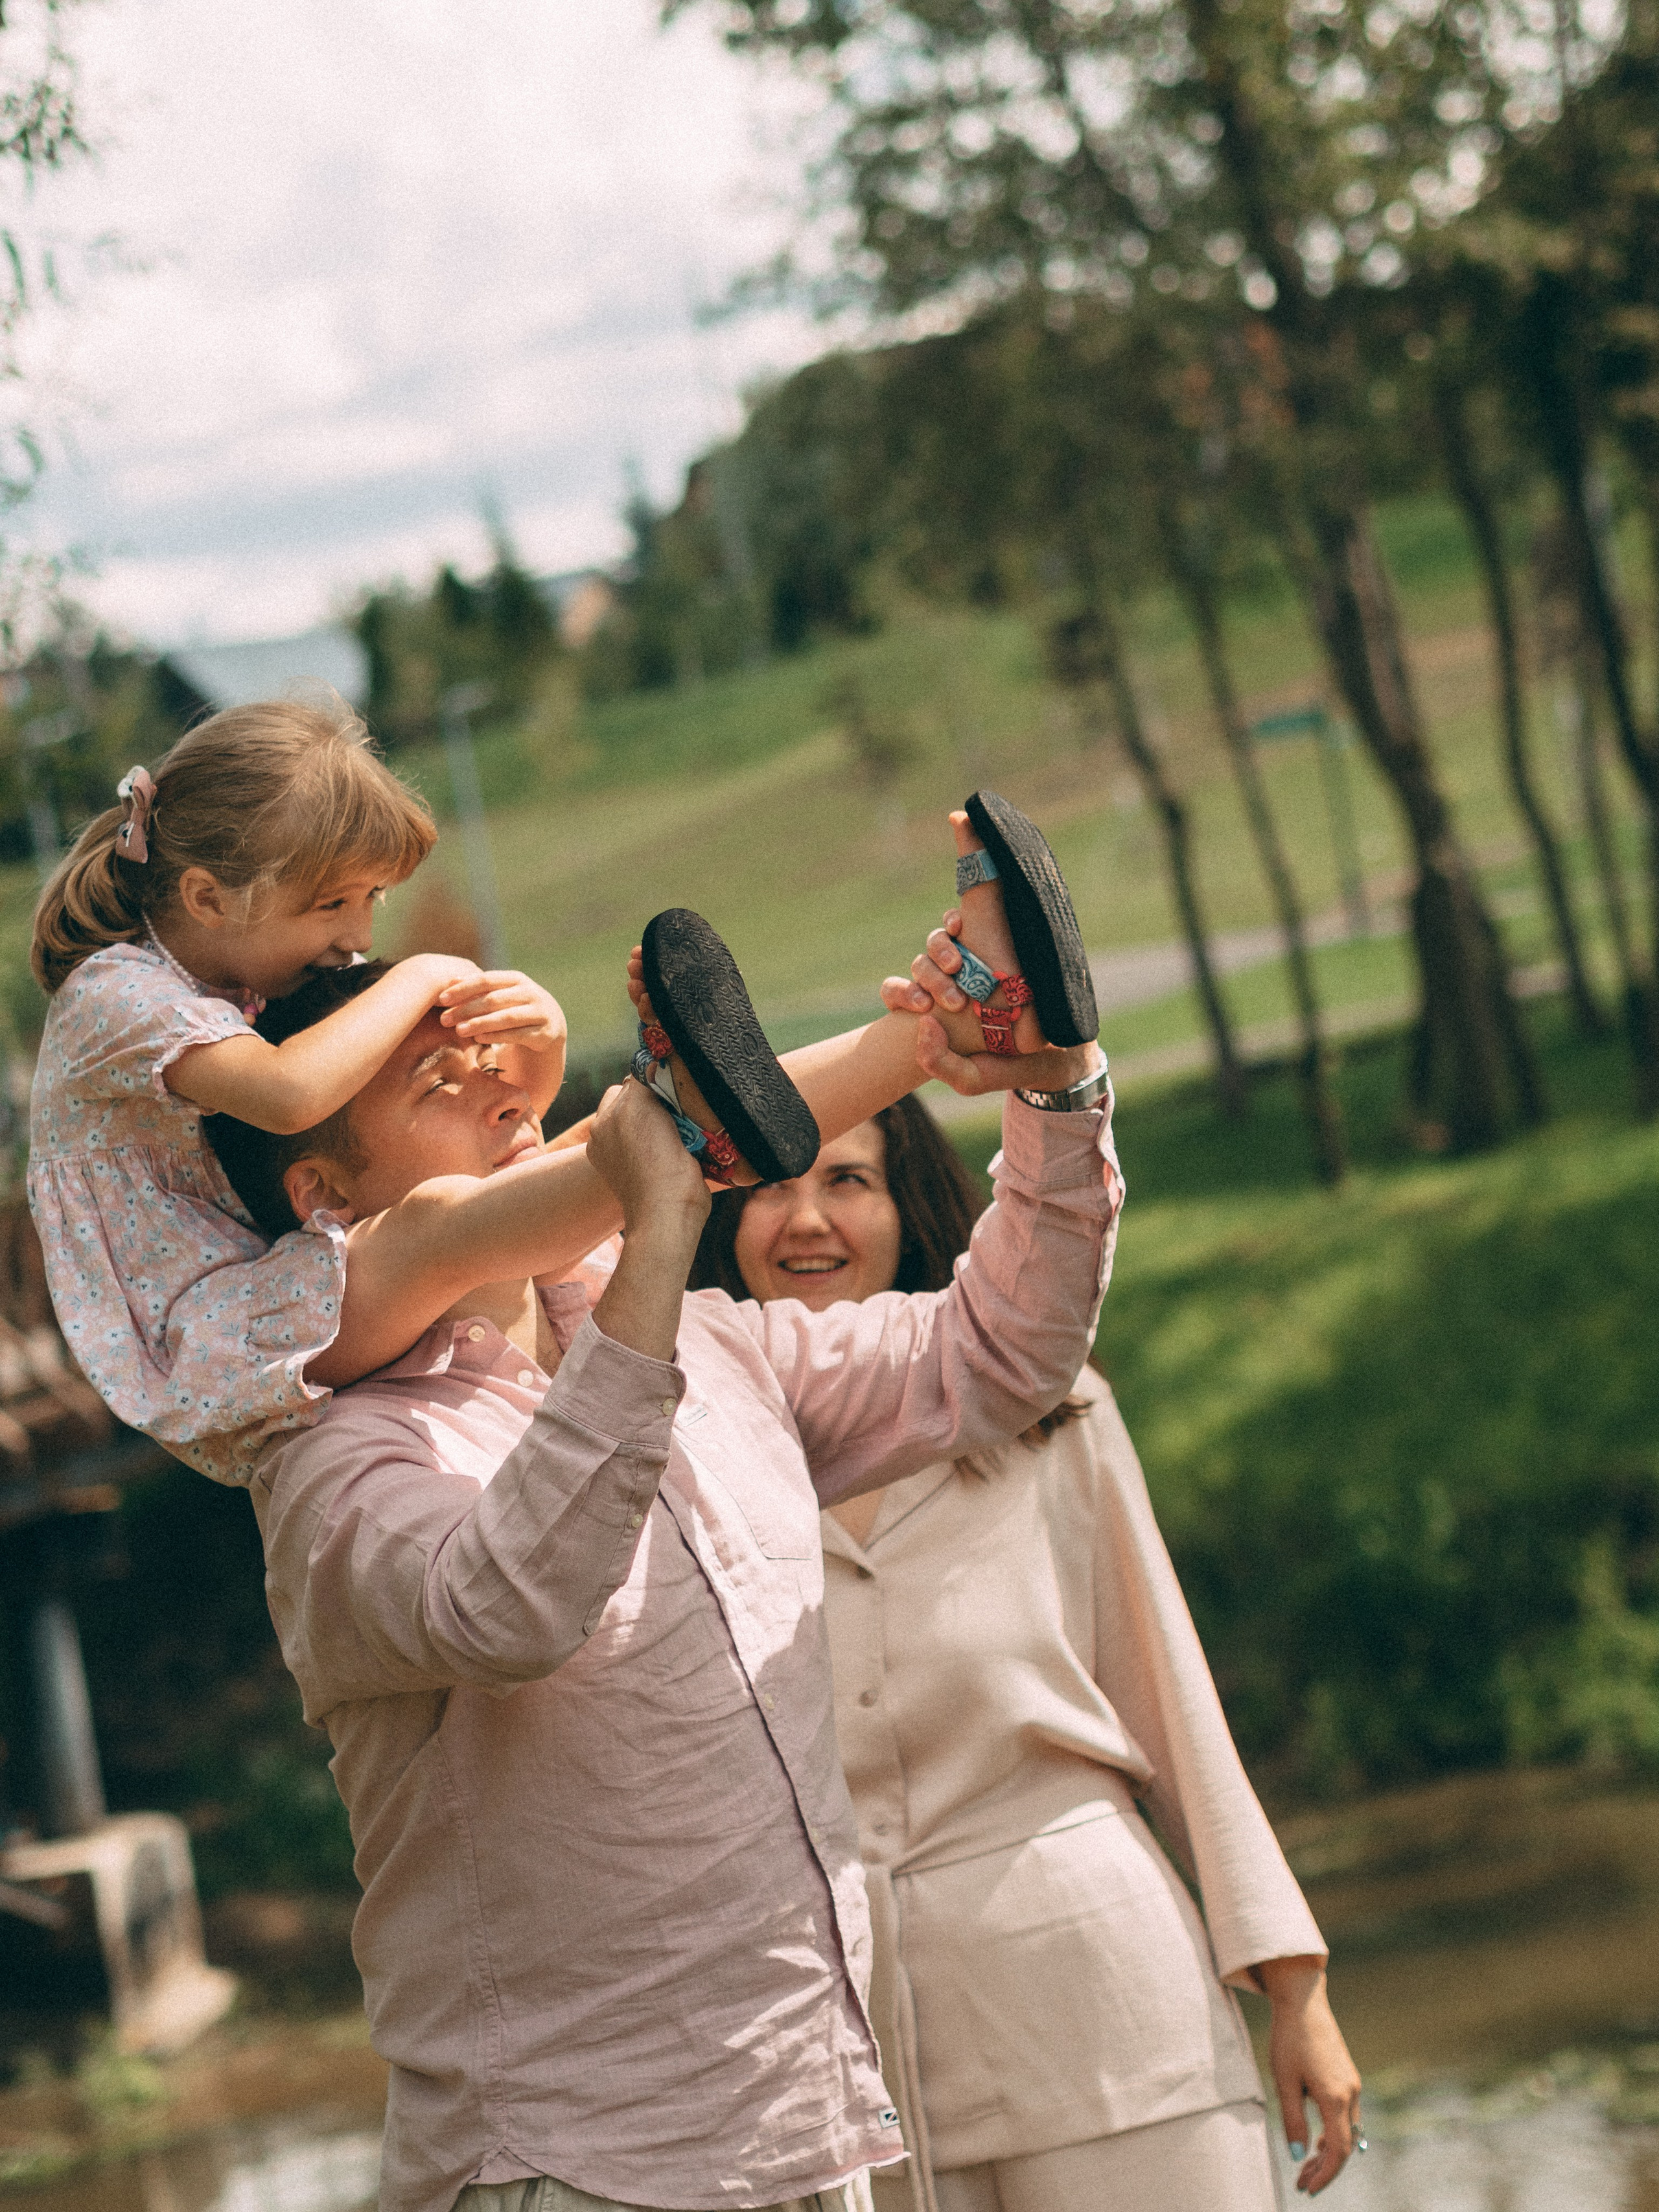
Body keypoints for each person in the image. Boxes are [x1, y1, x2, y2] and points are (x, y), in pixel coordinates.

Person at [208, 905, 1119, 2212]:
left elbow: (1004, 1351)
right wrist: (650, 1242)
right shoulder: (330, 1469)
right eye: (436, 1082)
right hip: (574, 2165)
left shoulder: (718, 1346)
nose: (500, 1089)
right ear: (325, 1197)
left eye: (491, 1060)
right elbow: (508, 1608)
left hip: (810, 2134)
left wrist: (1057, 1089)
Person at [25, 710, 1021, 1487]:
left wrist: (538, 1049)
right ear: (207, 898)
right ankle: (703, 1101)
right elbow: (291, 1098)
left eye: (373, 902)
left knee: (619, 1139)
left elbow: (498, 1124)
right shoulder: (119, 994)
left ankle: (953, 1025)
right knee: (443, 1224)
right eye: (333, 904)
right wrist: (431, 971)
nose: (358, 937)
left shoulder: (237, 971)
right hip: (214, 1328)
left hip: (292, 1262)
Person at [691, 1091, 1365, 2212]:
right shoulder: (681, 1461)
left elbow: (1170, 1691)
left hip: (1108, 2022)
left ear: (908, 1207)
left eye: (847, 1180)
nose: (805, 1218)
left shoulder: (1054, 1411)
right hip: (849, 2075)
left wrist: (1295, 1985)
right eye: (767, 1187)